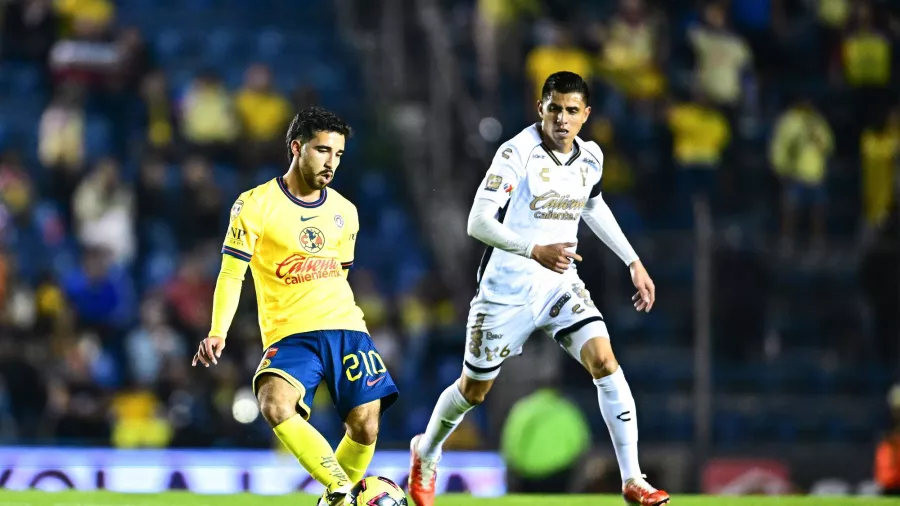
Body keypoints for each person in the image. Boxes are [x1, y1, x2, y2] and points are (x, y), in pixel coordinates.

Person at [407, 72, 670, 506]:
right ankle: (427, 450)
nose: (562, 120)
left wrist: (633, 260)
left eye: (571, 111)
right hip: (505, 290)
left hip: (558, 283)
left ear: (585, 115)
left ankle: (632, 478)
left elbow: (593, 204)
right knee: (474, 390)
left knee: (604, 361)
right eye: (554, 109)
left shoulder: (591, 157)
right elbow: (478, 222)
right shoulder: (516, 153)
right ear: (540, 109)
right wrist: (533, 249)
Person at [192, 107, 399, 506]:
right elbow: (232, 273)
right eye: (322, 151)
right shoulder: (254, 205)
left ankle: (333, 500)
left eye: (338, 154)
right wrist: (218, 330)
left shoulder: (345, 211)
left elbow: (339, 274)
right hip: (290, 333)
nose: (331, 162)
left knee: (366, 426)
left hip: (345, 328)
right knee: (274, 401)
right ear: (296, 147)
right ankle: (341, 489)